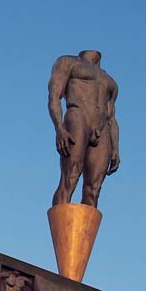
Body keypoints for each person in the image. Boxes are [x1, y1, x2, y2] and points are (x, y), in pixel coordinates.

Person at [47, 50, 120, 207]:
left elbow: (111, 117)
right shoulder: (68, 62)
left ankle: (82, 231)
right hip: (78, 116)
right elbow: (54, 97)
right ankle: (62, 229)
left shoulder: (110, 82)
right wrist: (59, 128)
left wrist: (115, 148)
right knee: (71, 176)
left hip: (101, 129)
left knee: (93, 189)